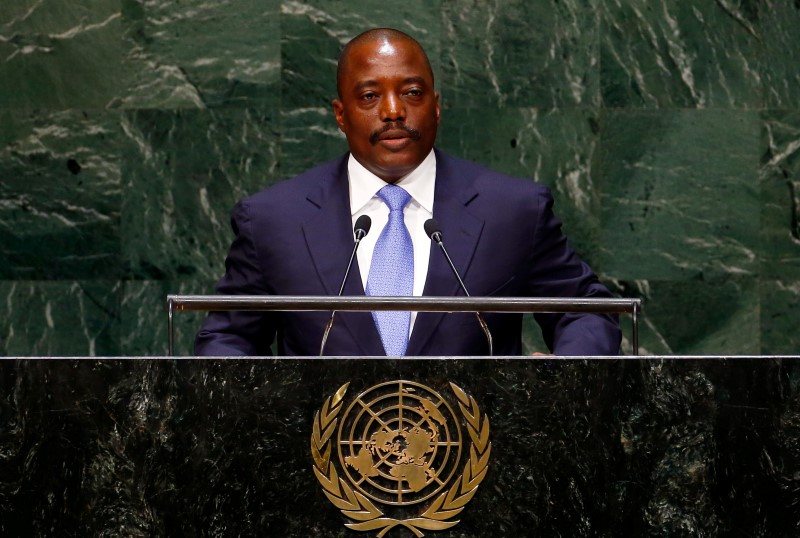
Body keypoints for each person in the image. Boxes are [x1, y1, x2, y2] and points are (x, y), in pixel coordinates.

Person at [195, 28, 621, 357]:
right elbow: (228, 336)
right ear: (341, 115)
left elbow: (585, 309)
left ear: (436, 106)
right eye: (369, 96)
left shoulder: (512, 210)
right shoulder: (272, 220)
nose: (394, 110)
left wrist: (568, 376)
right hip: (320, 461)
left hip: (479, 459)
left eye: (412, 93)